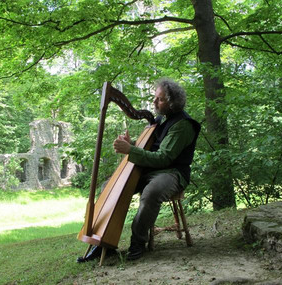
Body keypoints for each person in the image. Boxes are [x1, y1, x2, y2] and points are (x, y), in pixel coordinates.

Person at [77, 78, 200, 262]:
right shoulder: (160, 120)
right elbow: (152, 148)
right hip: (151, 169)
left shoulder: (183, 125)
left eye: (160, 99)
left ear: (172, 102)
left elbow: (164, 158)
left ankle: (137, 243)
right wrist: (132, 144)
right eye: (155, 97)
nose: (154, 102)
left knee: (152, 192)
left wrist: (130, 151)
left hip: (172, 172)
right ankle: (103, 242)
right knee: (107, 186)